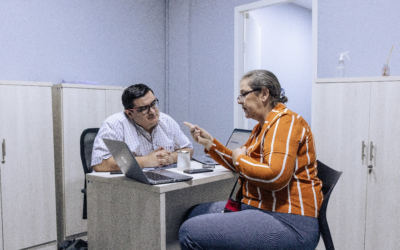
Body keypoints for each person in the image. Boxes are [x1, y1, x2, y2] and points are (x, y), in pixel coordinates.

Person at [179, 70, 323, 250]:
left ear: (264, 93)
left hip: (289, 221)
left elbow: (275, 176)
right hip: (262, 207)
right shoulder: (261, 128)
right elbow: (242, 164)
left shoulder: (285, 122)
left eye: (243, 95)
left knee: (189, 232)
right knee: (193, 214)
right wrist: (210, 144)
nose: (240, 102)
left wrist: (240, 158)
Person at [91, 83, 193, 172]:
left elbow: (188, 149)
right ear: (130, 114)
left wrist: (171, 158)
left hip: (161, 181)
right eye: (143, 109)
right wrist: (146, 161)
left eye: (153, 104)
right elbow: (99, 164)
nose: (152, 112)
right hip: (126, 186)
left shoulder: (166, 121)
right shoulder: (114, 124)